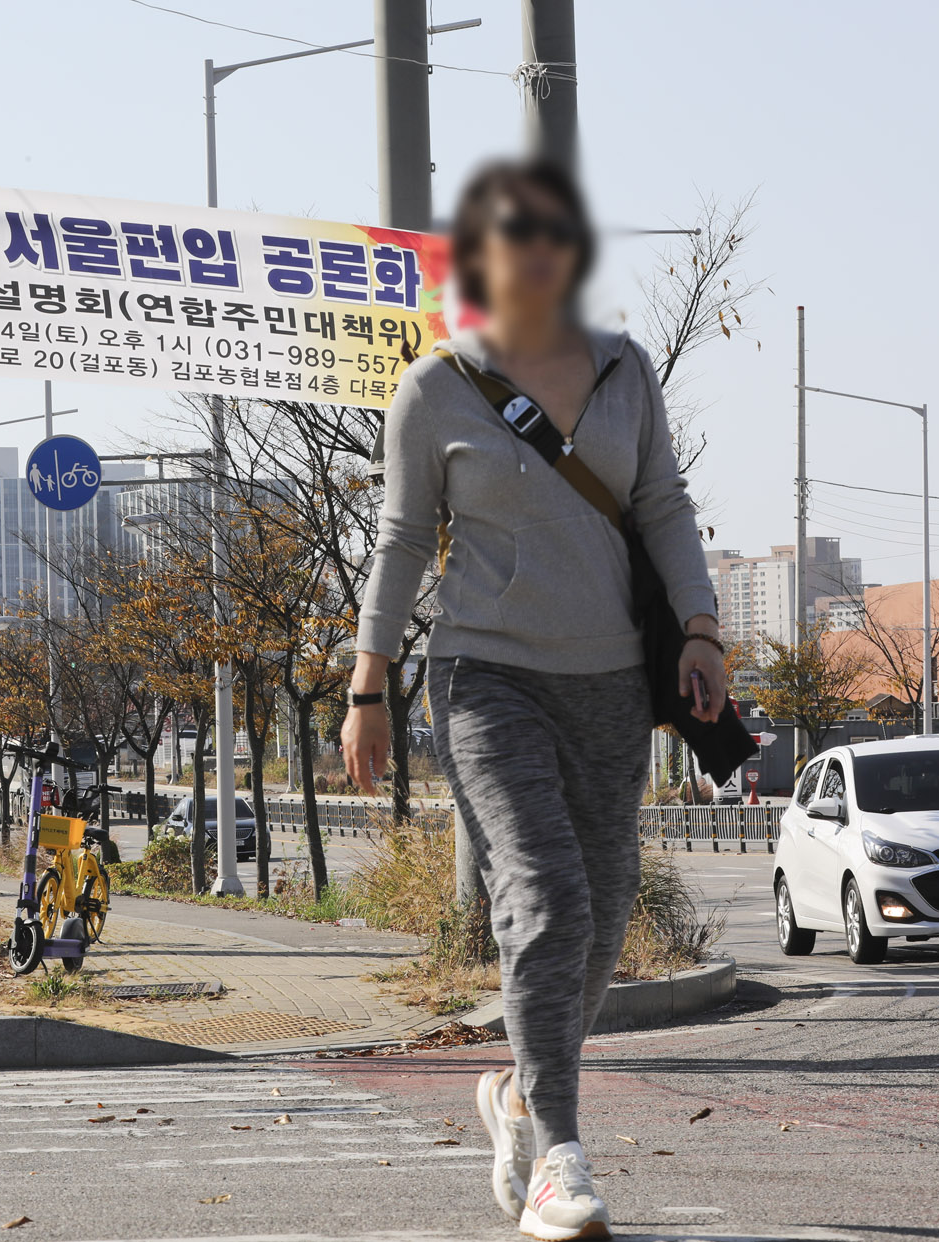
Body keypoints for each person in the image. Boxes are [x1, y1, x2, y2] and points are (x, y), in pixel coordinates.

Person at [342, 158, 726, 1242]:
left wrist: (699, 628)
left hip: (608, 683)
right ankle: (559, 1154)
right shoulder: (433, 390)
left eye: (554, 235)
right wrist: (366, 683)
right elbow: (401, 538)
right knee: (545, 895)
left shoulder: (623, 371)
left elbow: (661, 504)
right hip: (483, 677)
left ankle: (513, 1098)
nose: (538, 254)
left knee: (600, 918)